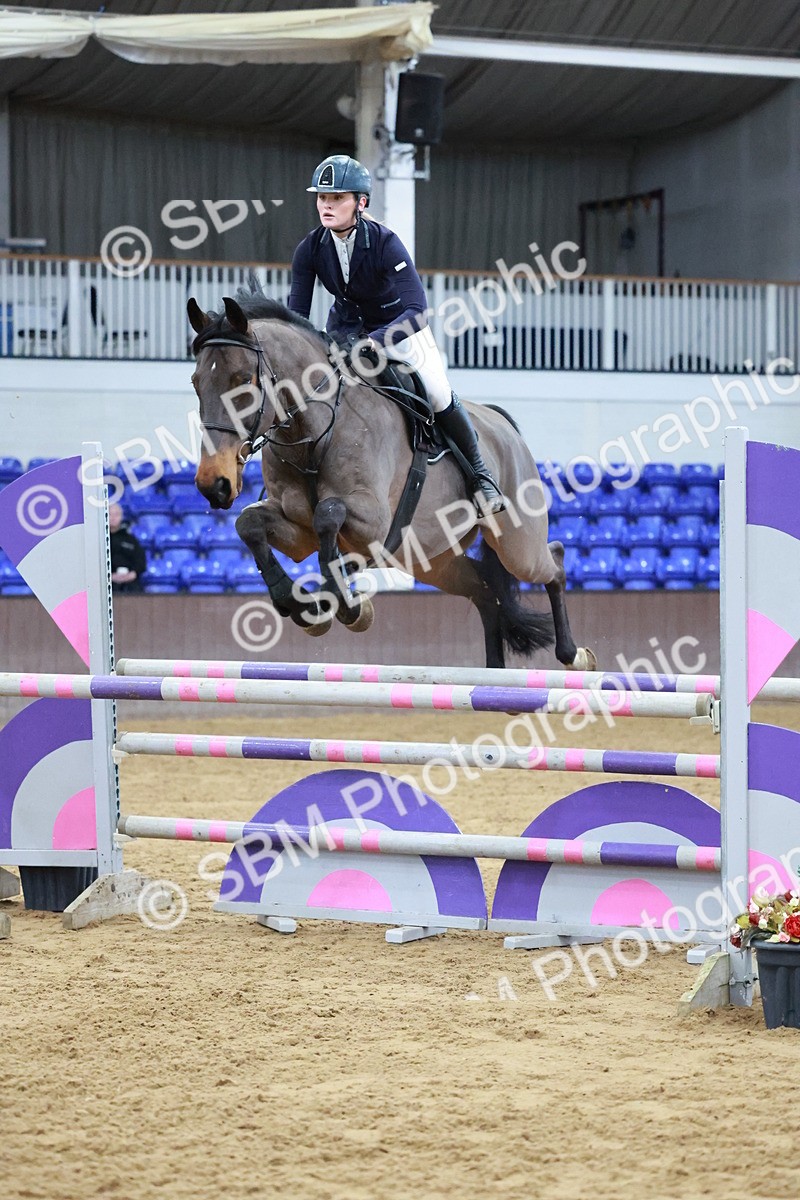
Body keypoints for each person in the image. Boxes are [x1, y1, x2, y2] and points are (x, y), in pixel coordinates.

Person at [288, 154, 504, 514]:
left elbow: (417, 309)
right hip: (343, 335)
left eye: (337, 198)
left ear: (361, 202)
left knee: (436, 393)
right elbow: (297, 316)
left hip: (399, 332)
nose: (327, 205)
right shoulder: (309, 249)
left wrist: (377, 341)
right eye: (322, 197)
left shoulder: (386, 243)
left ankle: (481, 478)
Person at [109, 502, 147, 593]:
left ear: (121, 517)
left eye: (116, 514)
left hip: (130, 583)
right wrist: (109, 577)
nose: (113, 518)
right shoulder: (100, 540)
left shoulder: (131, 540)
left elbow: (141, 562)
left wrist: (132, 574)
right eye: (110, 514)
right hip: (107, 584)